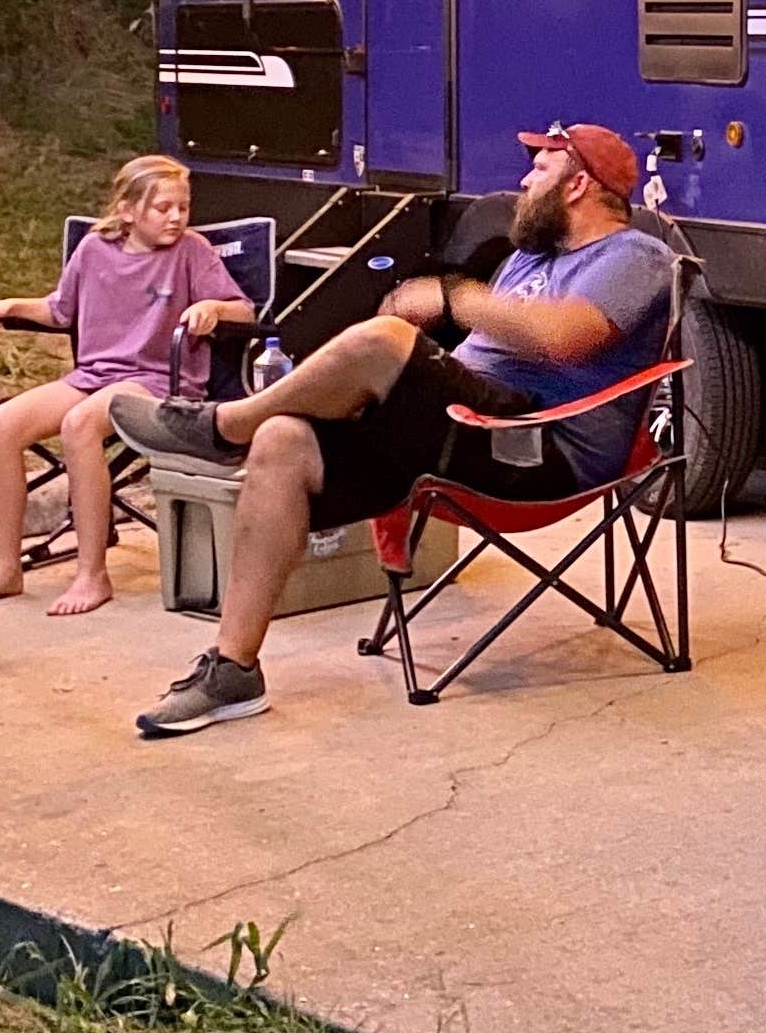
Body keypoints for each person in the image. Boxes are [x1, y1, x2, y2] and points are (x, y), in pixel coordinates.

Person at [106, 120, 676, 737]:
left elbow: (566, 338)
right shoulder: (528, 259)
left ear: (578, 186)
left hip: (537, 445)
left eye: (539, 170)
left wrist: (453, 297)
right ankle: (233, 668)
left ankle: (223, 426)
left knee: (384, 341)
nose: (521, 182)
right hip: (461, 433)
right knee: (284, 441)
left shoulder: (635, 256)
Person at [0, 154, 255, 618]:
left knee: (80, 424)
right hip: (95, 375)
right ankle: (4, 568)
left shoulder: (191, 252)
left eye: (183, 207)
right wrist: (10, 305)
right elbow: (60, 311)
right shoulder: (95, 250)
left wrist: (213, 308)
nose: (176, 217)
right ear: (128, 210)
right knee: (2, 425)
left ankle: (92, 573)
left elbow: (245, 311)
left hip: (160, 382)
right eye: (163, 208)